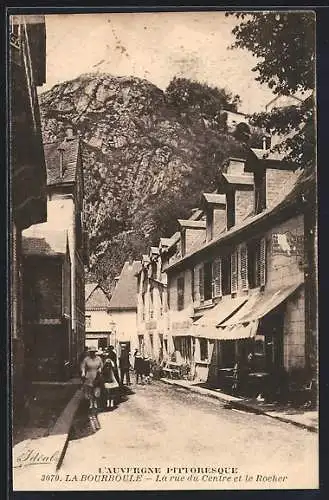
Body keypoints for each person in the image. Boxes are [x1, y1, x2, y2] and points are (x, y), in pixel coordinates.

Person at [80, 346, 103, 411]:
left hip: (97, 375)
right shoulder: (86, 359)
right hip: (89, 375)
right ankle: (91, 403)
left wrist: (100, 369)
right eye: (91, 352)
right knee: (89, 390)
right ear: (89, 352)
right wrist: (83, 372)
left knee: (96, 390)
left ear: (95, 352)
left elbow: (102, 366)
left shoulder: (99, 358)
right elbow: (83, 366)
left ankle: (95, 402)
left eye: (93, 352)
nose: (92, 353)